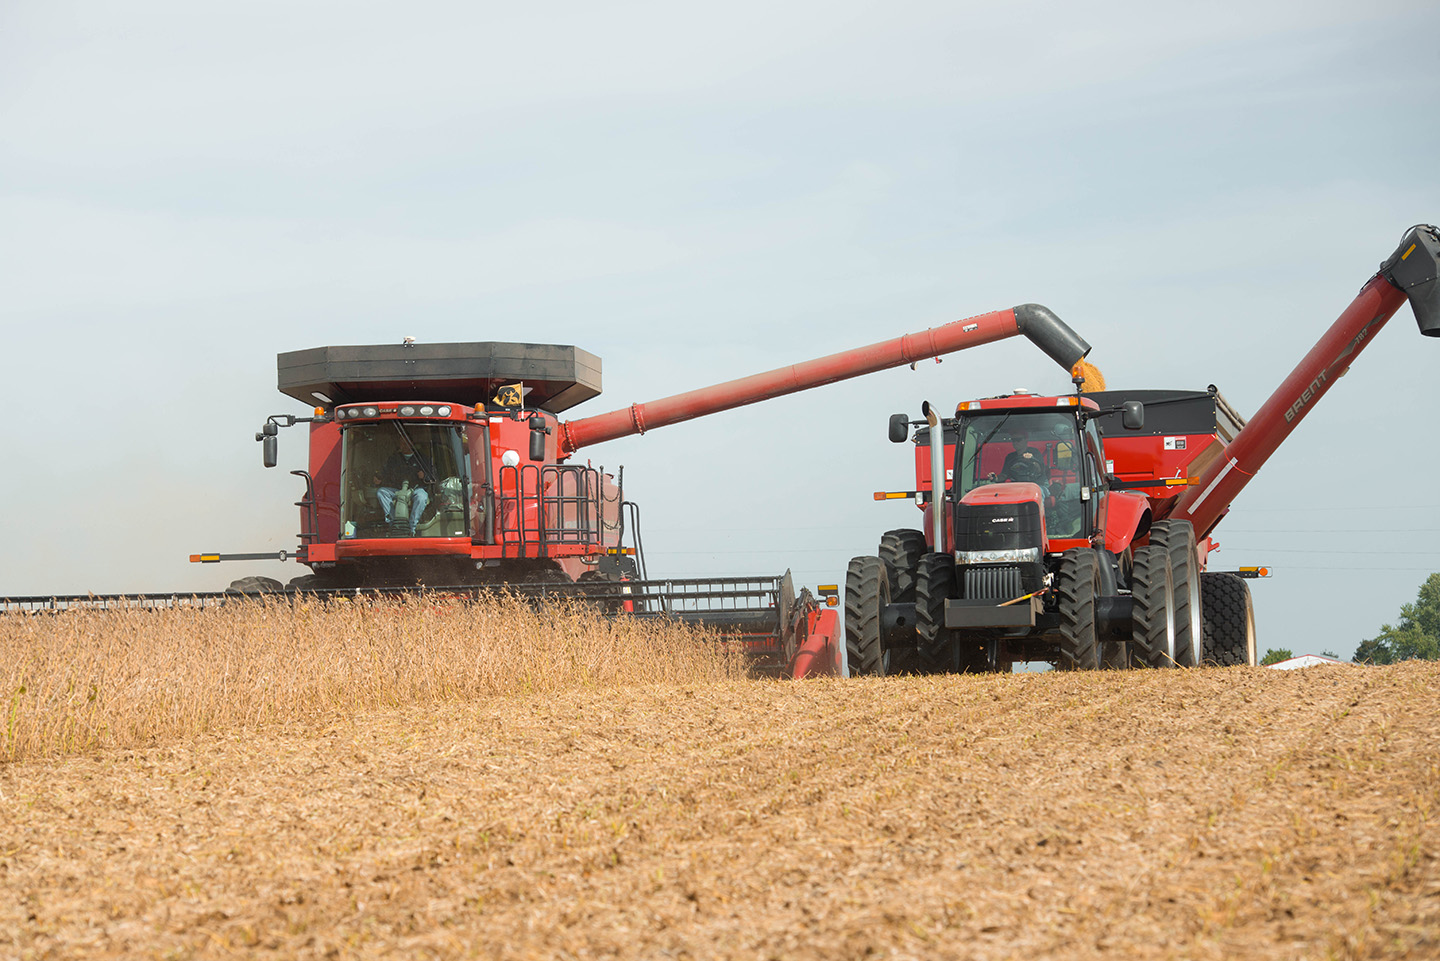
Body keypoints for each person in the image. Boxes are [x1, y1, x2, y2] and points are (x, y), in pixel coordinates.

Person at [374, 435, 431, 535]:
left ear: (412, 443)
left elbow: (431, 476)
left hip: (415, 489)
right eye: (402, 443)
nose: (404, 445)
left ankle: (411, 527)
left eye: (406, 442)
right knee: (381, 492)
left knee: (422, 497)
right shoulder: (394, 458)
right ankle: (394, 523)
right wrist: (378, 478)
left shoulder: (421, 458)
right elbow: (384, 472)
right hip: (397, 489)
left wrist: (424, 476)